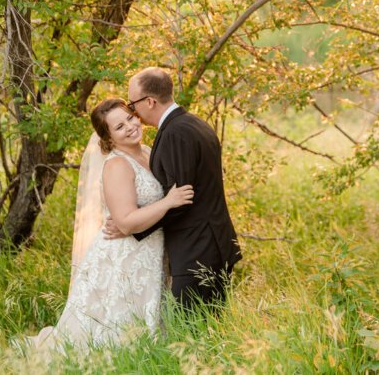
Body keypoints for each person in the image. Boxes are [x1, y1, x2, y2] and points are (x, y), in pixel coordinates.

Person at [31, 98, 193, 352]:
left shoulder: (149, 152)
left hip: (151, 251)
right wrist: (168, 202)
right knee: (114, 328)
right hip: (125, 257)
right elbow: (126, 223)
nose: (130, 126)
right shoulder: (117, 165)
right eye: (119, 127)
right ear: (108, 139)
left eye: (130, 118)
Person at [115, 67, 242, 308]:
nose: (133, 111)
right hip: (208, 244)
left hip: (197, 249)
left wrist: (131, 227)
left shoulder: (176, 133)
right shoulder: (192, 123)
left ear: (150, 101)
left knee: (195, 332)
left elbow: (181, 199)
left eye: (133, 105)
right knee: (208, 331)